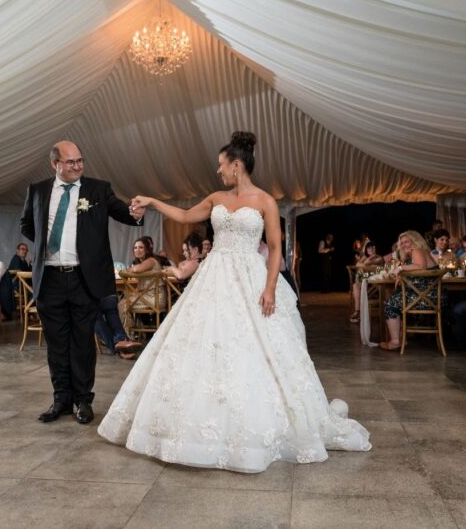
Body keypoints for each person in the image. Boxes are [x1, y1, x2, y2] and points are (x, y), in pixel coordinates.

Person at [99, 131, 370, 473]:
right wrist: (152, 201)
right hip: (214, 278)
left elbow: (274, 249)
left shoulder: (265, 202)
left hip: (251, 278)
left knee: (256, 346)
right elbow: (183, 216)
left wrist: (270, 287)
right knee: (204, 343)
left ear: (236, 165)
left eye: (221, 166)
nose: (219, 171)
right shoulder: (215, 198)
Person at [20, 140, 144, 426]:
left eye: (80, 161)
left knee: (82, 343)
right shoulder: (37, 190)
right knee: (56, 343)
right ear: (55, 164)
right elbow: (27, 225)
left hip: (83, 278)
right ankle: (61, 398)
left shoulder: (98, 189)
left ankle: (82, 400)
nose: (77, 166)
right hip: (49, 277)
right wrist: (45, 248)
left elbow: (123, 212)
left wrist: (136, 212)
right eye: (70, 162)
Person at [380, 231, 439, 351]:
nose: (404, 245)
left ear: (415, 240)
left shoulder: (417, 250)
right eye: (401, 243)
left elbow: (420, 266)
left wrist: (400, 268)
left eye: (407, 241)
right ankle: (401, 338)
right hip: (431, 296)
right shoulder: (420, 251)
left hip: (427, 298)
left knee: (389, 304)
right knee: (395, 296)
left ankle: (396, 341)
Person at [114, 237, 166, 356]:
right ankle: (128, 335)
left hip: (154, 298)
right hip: (148, 296)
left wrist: (124, 271)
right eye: (135, 248)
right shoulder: (144, 261)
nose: (138, 250)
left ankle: (127, 338)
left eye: (141, 247)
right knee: (123, 301)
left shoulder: (151, 260)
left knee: (122, 304)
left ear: (147, 249)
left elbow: (136, 270)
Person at [350, 242, 384, 323]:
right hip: (367, 285)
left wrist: (367, 262)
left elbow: (367, 264)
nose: (371, 249)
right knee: (356, 286)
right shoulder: (366, 257)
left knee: (358, 284)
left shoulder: (379, 257)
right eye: (369, 248)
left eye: (372, 247)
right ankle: (357, 311)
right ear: (366, 250)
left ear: (375, 249)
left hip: (377, 286)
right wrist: (367, 265)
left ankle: (359, 313)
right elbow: (358, 264)